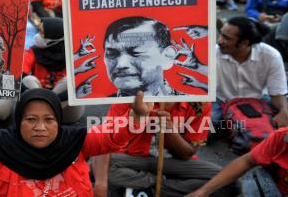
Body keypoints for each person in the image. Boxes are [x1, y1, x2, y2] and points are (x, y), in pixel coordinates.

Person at [0, 84, 144, 196]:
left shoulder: (77, 142)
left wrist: (136, 116)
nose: (40, 127)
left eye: (49, 119)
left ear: (59, 121)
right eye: (31, 119)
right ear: (19, 120)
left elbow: (112, 135)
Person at [92, 102, 239, 197]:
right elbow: (105, 140)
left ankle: (140, 186)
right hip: (131, 159)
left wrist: (170, 130)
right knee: (101, 165)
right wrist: (100, 184)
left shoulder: (198, 103)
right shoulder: (129, 94)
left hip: (173, 162)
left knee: (229, 182)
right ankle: (164, 187)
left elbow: (187, 153)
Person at [213, 16, 288, 127]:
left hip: (258, 99)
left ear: (244, 43)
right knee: (204, 125)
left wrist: (284, 112)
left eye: (226, 38)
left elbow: (277, 93)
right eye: (221, 34)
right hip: (221, 100)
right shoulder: (212, 53)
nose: (219, 41)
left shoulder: (271, 56)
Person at [186, 127, 288, 197]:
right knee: (253, 182)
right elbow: (246, 161)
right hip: (278, 189)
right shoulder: (281, 136)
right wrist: (203, 192)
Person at [22, 17, 85, 124]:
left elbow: (80, 86)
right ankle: (43, 108)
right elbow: (20, 78)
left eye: (42, 33)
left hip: (65, 109)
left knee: (69, 81)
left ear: (55, 37)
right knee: (29, 80)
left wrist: (51, 100)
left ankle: (45, 108)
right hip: (37, 105)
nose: (38, 36)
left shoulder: (73, 55)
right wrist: (41, 97)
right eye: (39, 32)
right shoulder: (33, 52)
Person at [103, 16, 179, 97]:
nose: (121, 65)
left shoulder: (187, 104)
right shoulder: (103, 105)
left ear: (167, 56)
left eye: (136, 53)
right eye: (111, 54)